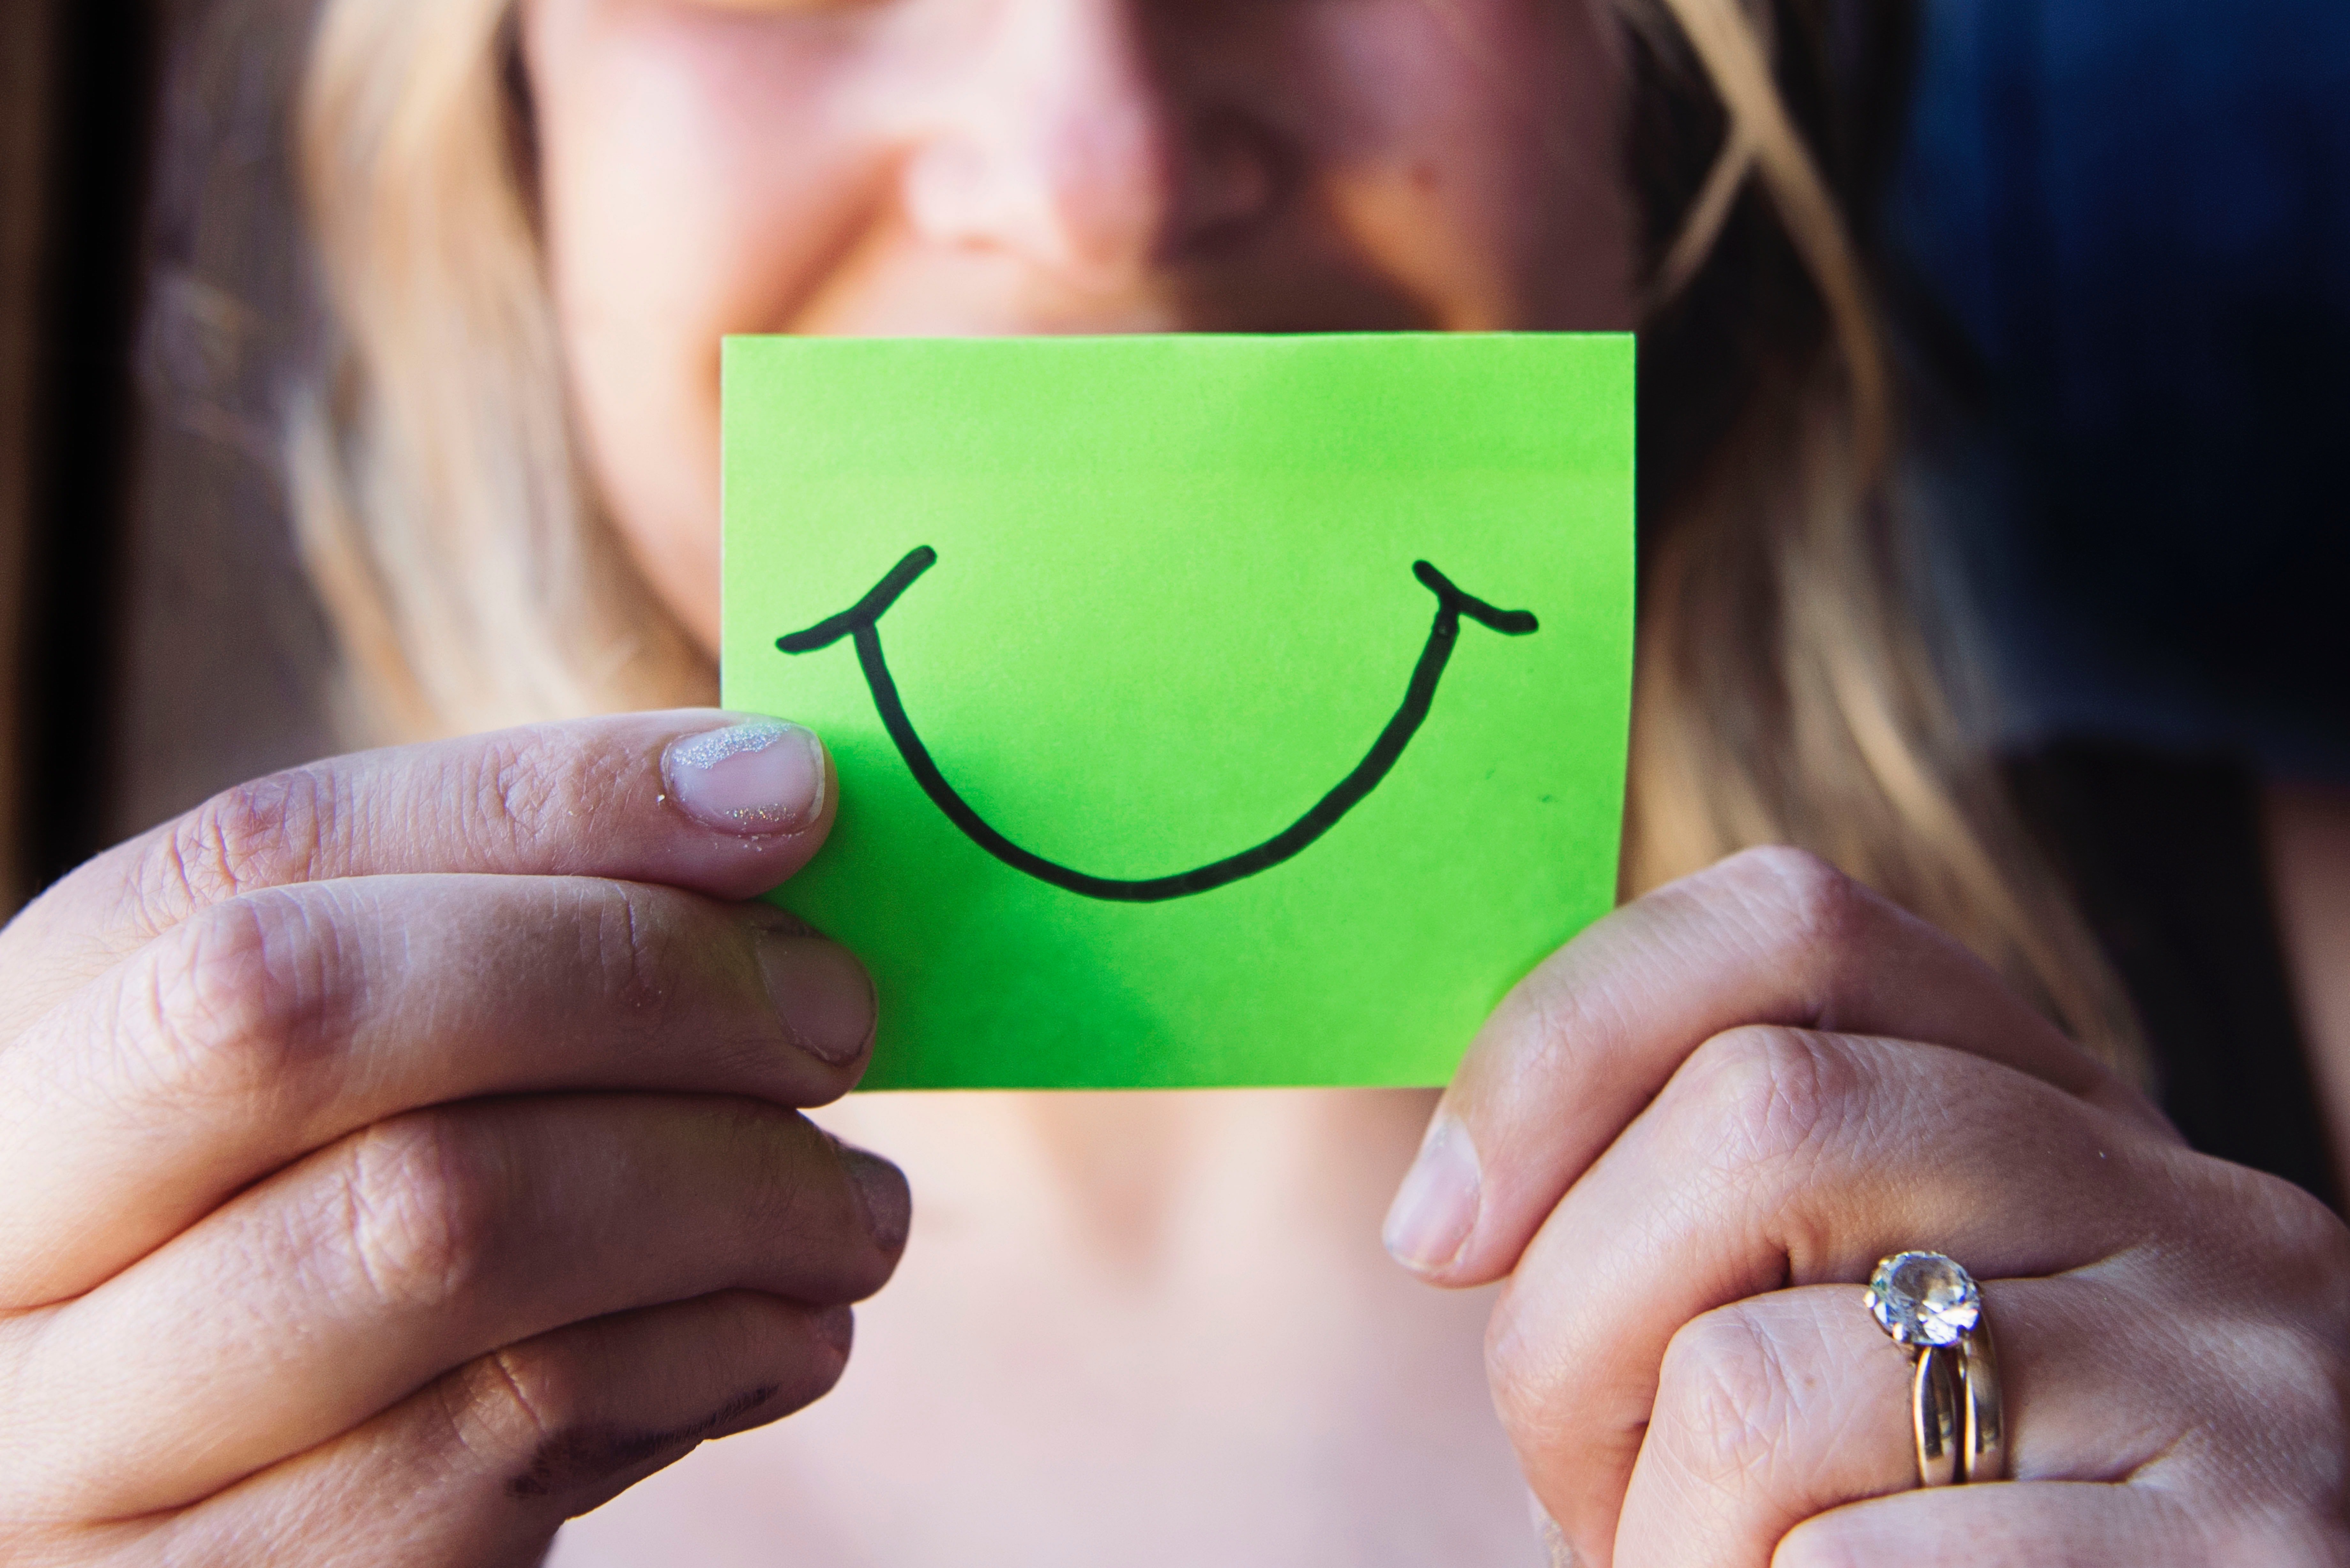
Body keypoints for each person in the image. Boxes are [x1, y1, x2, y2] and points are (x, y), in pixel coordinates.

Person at [4, 0, 2346, 1563]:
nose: (1099, 164)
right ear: (512, 118)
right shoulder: (106, 1316)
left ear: (1655, 62)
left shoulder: (2291, 1070)